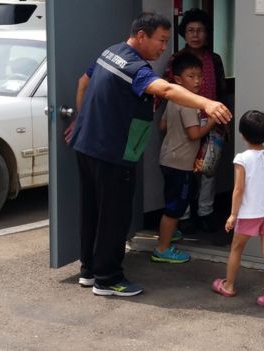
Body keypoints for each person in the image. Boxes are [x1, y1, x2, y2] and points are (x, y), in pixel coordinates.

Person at [66, 12, 232, 297]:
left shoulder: (111, 53)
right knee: (114, 216)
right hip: (111, 153)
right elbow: (166, 89)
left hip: (87, 146)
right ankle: (108, 279)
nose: (164, 48)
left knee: (92, 210)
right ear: (141, 36)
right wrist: (206, 102)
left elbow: (83, 82)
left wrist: (81, 120)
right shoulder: (134, 66)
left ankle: (90, 271)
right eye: (161, 40)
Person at [211, 110, 264, 310]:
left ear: (242, 134)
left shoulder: (242, 159)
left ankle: (228, 285)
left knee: (237, 248)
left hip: (248, 214)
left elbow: (238, 189)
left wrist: (233, 214)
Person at [164, 8, 228, 233]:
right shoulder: (176, 60)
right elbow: (168, 90)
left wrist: (222, 122)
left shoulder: (215, 59)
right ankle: (183, 216)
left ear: (207, 34)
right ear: (184, 33)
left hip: (212, 121)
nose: (195, 35)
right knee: (184, 170)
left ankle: (205, 213)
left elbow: (221, 90)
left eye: (200, 30)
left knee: (208, 170)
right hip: (185, 124)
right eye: (191, 30)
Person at [152, 52, 216, 264]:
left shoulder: (173, 99)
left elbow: (162, 126)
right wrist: (212, 121)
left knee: (173, 201)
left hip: (168, 158)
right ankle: (162, 249)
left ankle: (169, 234)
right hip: (180, 164)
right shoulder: (190, 104)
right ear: (177, 79)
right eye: (191, 76)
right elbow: (194, 134)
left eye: (200, 76)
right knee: (175, 207)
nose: (197, 80)